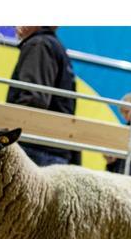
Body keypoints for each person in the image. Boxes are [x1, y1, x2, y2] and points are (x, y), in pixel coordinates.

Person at [6, 26, 80, 166]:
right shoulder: (54, 45)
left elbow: (34, 98)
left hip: (35, 147)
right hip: (52, 147)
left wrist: (9, 129)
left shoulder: (40, 44)